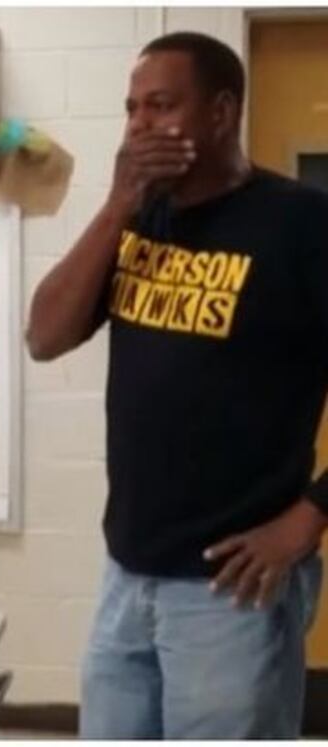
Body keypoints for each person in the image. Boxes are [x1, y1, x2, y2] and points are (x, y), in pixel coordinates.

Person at [26, 32, 327, 739]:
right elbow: (44, 335)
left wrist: (308, 515)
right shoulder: (139, 220)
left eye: (161, 106)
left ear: (221, 113)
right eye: (131, 109)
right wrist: (116, 206)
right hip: (126, 575)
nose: (139, 126)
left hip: (231, 594)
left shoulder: (303, 225)